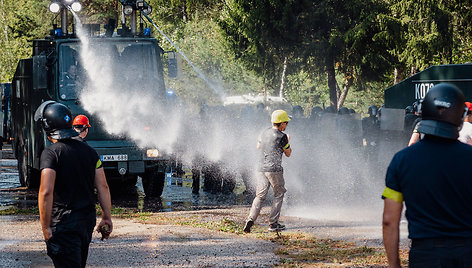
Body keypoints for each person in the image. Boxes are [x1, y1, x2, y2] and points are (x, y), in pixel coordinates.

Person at [382, 83, 472, 267]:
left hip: (425, 256)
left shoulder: (402, 161)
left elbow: (389, 221)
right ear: (461, 117)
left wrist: (394, 264)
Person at [35, 101, 112, 268]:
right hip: (86, 221)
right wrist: (107, 216)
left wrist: (46, 228)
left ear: (48, 128)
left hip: (63, 224)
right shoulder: (90, 152)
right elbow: (103, 187)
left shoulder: (50, 154)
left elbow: (46, 192)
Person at [243, 109, 292, 233]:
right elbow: (288, 154)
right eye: (286, 122)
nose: (286, 125)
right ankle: (273, 223)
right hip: (274, 170)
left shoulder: (264, 133)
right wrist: (288, 141)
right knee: (279, 193)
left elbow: (258, 147)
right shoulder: (282, 137)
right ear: (281, 123)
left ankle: (250, 219)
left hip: (261, 169)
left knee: (260, 196)